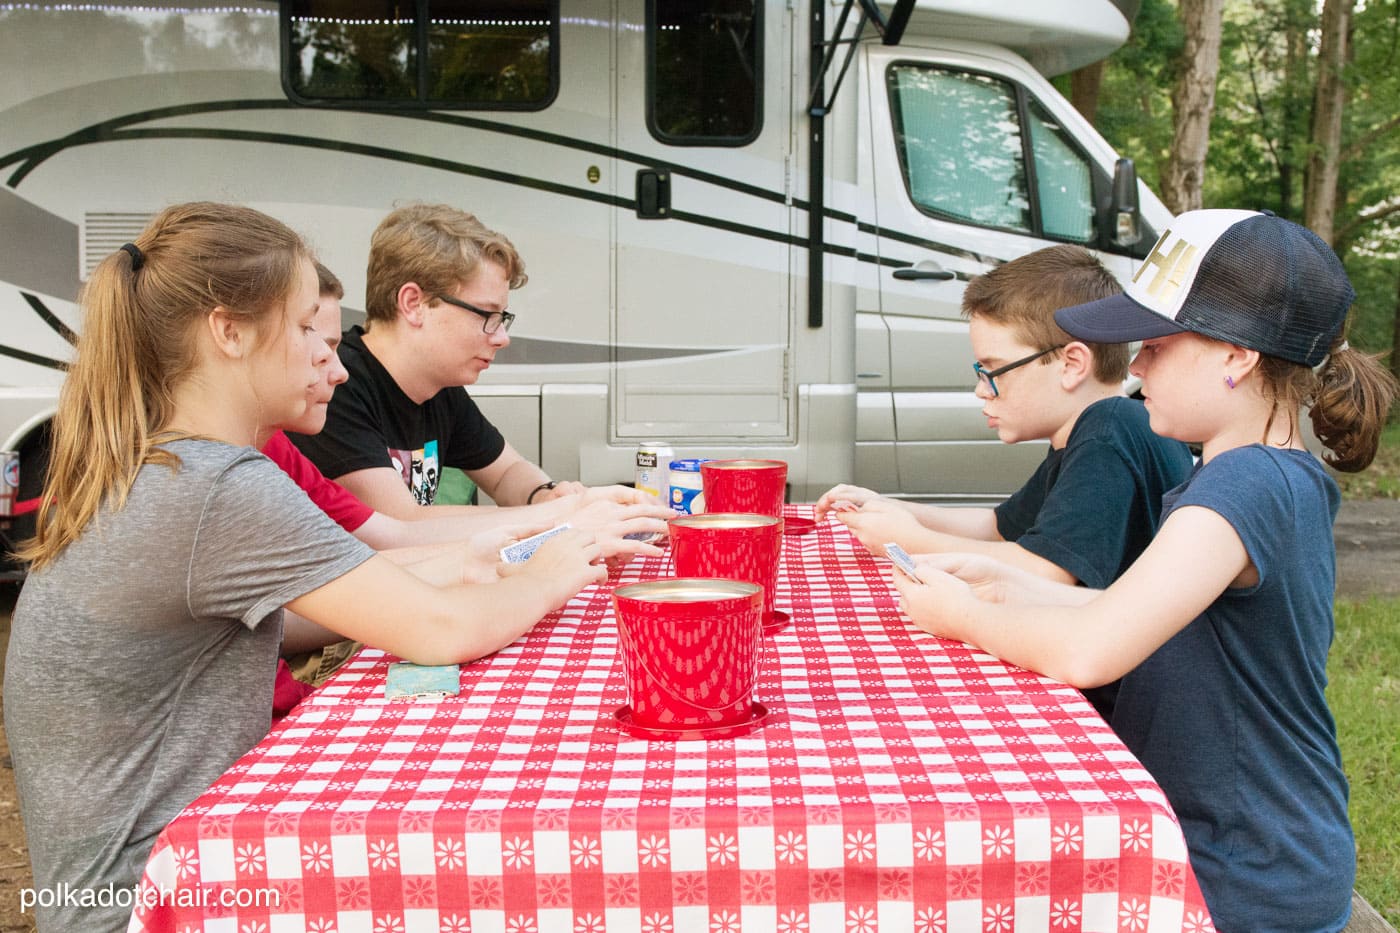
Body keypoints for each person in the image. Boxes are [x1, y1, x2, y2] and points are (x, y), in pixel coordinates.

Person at [2, 203, 609, 933]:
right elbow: (441, 632)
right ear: (228, 331)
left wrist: (474, 560)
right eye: (303, 329)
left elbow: (281, 618)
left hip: (109, 882)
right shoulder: (220, 483)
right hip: (152, 895)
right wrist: (552, 568)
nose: (334, 357)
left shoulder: (154, 458)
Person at [894, 209, 1399, 933]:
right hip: (1262, 853)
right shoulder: (1264, 472)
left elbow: (1092, 649)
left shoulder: (1244, 484)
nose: (1133, 366)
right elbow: (1149, 611)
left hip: (1243, 875)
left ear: (1236, 357)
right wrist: (1015, 585)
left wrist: (960, 615)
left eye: (1157, 345)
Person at [815, 245, 1193, 717]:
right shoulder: (1083, 433)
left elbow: (1044, 570)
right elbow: (999, 526)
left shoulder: (1110, 428)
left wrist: (909, 538)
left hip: (1126, 706)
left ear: (1072, 364)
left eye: (992, 370)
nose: (980, 389)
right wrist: (896, 509)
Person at [289, 203, 595, 514]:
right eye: (487, 315)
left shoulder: (439, 388)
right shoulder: (338, 385)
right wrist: (555, 516)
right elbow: (402, 522)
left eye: (502, 318)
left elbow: (506, 473)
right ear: (413, 304)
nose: (502, 337)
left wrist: (552, 497)